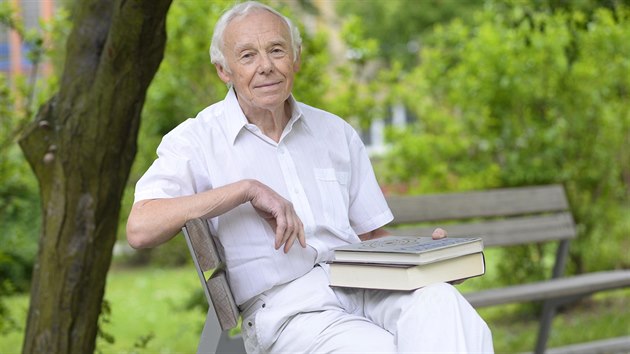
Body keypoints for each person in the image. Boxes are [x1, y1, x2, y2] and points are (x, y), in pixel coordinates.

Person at [126, 1, 494, 353]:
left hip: (367, 285)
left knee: (444, 303)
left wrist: (426, 259)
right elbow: (140, 227)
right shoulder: (197, 139)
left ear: (296, 58)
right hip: (290, 310)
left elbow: (371, 236)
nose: (266, 66)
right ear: (224, 71)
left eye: (276, 50)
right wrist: (245, 190)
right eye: (248, 56)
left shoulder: (335, 132)